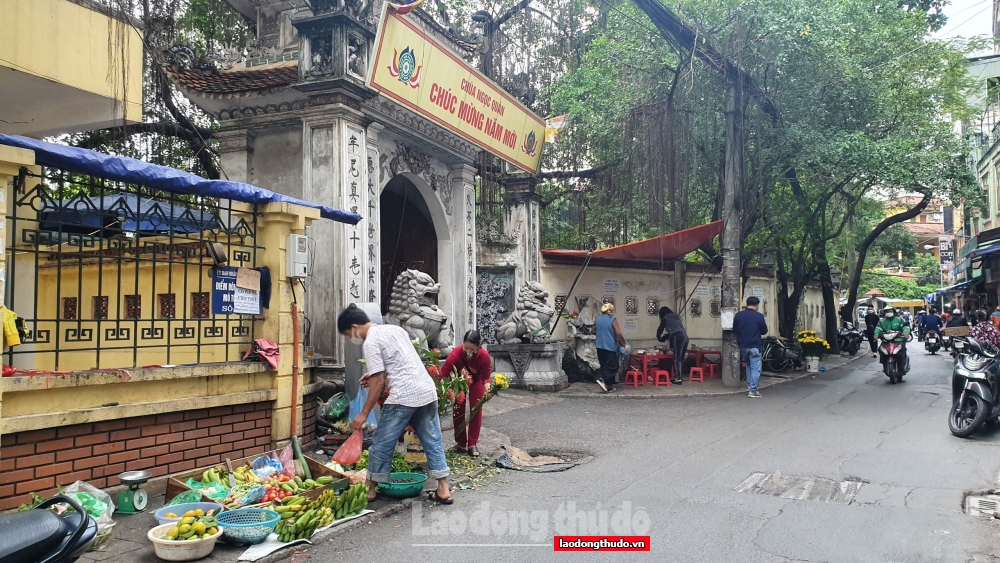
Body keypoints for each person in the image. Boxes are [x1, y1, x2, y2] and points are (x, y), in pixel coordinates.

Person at [337, 305, 453, 504]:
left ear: (355, 327)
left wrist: (364, 413)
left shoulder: (370, 341)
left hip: (403, 396)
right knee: (432, 440)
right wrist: (372, 374)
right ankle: (443, 489)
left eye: (349, 334)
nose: (351, 339)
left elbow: (379, 381)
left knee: (382, 443)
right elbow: (402, 361)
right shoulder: (395, 329)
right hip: (426, 390)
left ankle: (370, 490)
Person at [439, 330, 491, 457]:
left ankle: (472, 444)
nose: (467, 351)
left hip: (476, 381)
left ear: (478, 346)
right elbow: (443, 374)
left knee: (476, 408)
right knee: (458, 409)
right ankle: (461, 443)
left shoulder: (484, 356)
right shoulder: (456, 353)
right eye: (465, 347)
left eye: (471, 349)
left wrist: (489, 390)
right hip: (459, 381)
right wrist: (442, 390)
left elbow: (486, 378)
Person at [733, 296, 769, 398]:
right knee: (755, 368)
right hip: (754, 345)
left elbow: (735, 330)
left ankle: (750, 386)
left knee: (748, 366)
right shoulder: (759, 316)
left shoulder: (739, 315)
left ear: (746, 303)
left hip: (742, 345)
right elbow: (764, 331)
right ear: (757, 305)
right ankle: (753, 390)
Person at [595, 303, 629, 393]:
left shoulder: (598, 319)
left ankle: (609, 387)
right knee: (613, 365)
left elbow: (593, 330)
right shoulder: (612, 319)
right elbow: (618, 333)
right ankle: (602, 379)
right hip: (609, 346)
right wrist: (624, 344)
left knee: (604, 365)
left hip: (599, 346)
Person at [873, 306, 910, 375]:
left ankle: (903, 365)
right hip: (886, 340)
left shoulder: (899, 320)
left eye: (890, 311)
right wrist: (876, 335)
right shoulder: (882, 321)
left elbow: (905, 327)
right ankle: (884, 364)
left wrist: (905, 332)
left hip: (899, 339)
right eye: (887, 311)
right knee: (881, 350)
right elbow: (878, 329)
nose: (889, 313)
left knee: (903, 350)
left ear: (893, 312)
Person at [656, 306, 686, 385]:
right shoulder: (676, 317)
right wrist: (665, 337)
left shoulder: (666, 318)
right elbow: (673, 330)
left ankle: (678, 379)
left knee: (677, 359)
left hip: (678, 337)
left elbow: (660, 329)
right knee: (680, 359)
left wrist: (659, 337)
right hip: (685, 337)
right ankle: (678, 377)